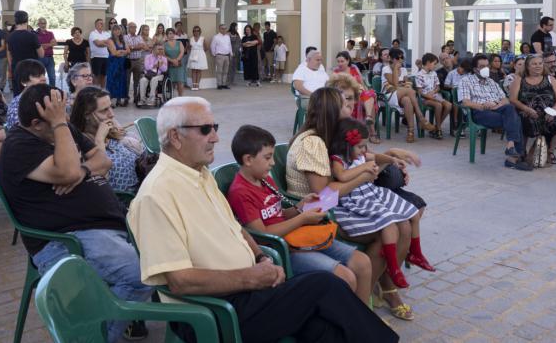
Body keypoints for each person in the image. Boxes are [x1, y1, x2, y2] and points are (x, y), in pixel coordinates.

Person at [127, 97, 397, 343]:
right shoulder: (156, 195)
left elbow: (235, 227)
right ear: (175, 136)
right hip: (215, 310)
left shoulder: (199, 173)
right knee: (324, 285)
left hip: (248, 294)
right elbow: (180, 281)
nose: (216, 138)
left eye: (215, 127)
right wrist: (251, 278)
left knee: (327, 330)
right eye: (206, 129)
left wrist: (261, 258)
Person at [0, 84, 152, 342]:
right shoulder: (19, 145)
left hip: (104, 225)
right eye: (59, 118)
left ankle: (104, 319)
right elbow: (69, 172)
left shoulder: (62, 128)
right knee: (141, 275)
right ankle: (93, 337)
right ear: (37, 123)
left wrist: (81, 171)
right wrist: (70, 155)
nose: (67, 121)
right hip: (65, 238)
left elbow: (103, 162)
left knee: (168, 249)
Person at [284, 87, 414, 321]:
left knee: (403, 225)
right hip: (321, 215)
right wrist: (362, 177)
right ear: (332, 111)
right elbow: (323, 196)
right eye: (344, 104)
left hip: (339, 204)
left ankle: (370, 292)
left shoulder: (327, 135)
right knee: (393, 229)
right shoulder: (313, 142)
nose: (350, 108)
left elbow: (363, 155)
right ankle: (365, 298)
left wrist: (389, 156)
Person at [227, 124, 372, 304]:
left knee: (363, 263)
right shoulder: (240, 192)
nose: (272, 163)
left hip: (301, 237)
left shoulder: (264, 178)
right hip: (285, 250)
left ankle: (364, 319)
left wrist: (299, 208)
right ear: (248, 159)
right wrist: (302, 218)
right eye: (267, 157)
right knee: (346, 278)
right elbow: (263, 234)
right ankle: (348, 325)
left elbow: (278, 213)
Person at [328, 119, 432, 289]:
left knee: (412, 212)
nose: (364, 150)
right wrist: (365, 168)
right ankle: (393, 268)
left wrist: (392, 160)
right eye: (361, 146)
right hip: (355, 200)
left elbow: (375, 157)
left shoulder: (360, 154)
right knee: (389, 222)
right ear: (347, 145)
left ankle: (416, 252)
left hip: (371, 193)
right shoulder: (339, 159)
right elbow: (343, 177)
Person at [458, 54, 529, 170]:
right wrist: (482, 106)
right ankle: (517, 156)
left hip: (496, 109)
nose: (485, 68)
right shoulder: (466, 80)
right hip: (479, 112)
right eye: (482, 66)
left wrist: (496, 105)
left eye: (487, 66)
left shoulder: (491, 82)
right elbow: (465, 102)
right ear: (475, 68)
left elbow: (505, 99)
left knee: (510, 108)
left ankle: (511, 147)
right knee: (515, 119)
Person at [70, 87, 142, 193]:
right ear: (87, 115)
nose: (111, 114)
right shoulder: (81, 145)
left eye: (111, 107)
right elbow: (103, 180)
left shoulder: (111, 133)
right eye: (104, 110)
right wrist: (99, 140)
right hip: (122, 201)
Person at [509, 54, 556, 165]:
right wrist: (527, 109)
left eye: (540, 63)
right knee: (522, 120)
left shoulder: (551, 79)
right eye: (534, 64)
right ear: (527, 66)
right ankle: (521, 152)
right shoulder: (519, 80)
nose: (538, 66)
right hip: (526, 112)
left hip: (547, 113)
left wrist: (553, 111)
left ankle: (548, 151)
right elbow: (513, 99)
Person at [382, 49, 435, 142]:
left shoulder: (403, 70)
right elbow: (394, 84)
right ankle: (421, 118)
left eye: (402, 57)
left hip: (402, 94)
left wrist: (401, 85)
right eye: (397, 57)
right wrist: (395, 69)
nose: (400, 59)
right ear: (391, 58)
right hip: (388, 95)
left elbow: (408, 83)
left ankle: (411, 133)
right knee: (411, 92)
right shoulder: (386, 69)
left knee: (407, 100)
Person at [331, 52, 379, 141]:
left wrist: (364, 89)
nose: (340, 64)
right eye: (338, 61)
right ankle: (372, 133)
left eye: (342, 61)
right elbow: (334, 87)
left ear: (348, 60)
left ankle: (369, 118)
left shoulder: (353, 68)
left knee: (369, 95)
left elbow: (361, 82)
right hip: (346, 96)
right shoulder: (336, 72)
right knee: (369, 101)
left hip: (359, 93)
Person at [416, 53, 452, 139]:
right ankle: (438, 129)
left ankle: (435, 127)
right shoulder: (419, 75)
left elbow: (438, 87)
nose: (435, 66)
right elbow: (420, 92)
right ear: (428, 62)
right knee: (438, 105)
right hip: (424, 98)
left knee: (449, 105)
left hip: (434, 96)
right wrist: (429, 96)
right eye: (434, 63)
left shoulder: (433, 73)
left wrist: (433, 92)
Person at [7, 11, 43, 96]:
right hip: (31, 69)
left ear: (15, 21)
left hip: (16, 68)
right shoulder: (32, 36)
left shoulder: (10, 36)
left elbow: (9, 54)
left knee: (17, 94)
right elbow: (41, 54)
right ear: (27, 20)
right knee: (33, 95)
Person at [5, 59, 48, 130]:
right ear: (23, 81)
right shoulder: (18, 104)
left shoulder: (44, 97)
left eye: (43, 74)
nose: (43, 78)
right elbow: (17, 131)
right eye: (37, 76)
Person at [105, 24, 130, 107]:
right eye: (115, 30)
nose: (117, 31)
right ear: (112, 31)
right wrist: (123, 51)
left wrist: (121, 52)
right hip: (113, 63)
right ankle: (110, 101)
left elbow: (128, 51)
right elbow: (114, 53)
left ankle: (119, 100)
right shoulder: (109, 40)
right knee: (112, 81)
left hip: (122, 64)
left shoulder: (123, 40)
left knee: (121, 81)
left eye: (118, 30)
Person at [124, 22, 147, 101]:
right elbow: (127, 47)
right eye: (132, 27)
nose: (134, 29)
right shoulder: (125, 37)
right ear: (128, 28)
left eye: (135, 27)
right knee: (126, 80)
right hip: (128, 60)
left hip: (138, 61)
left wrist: (132, 47)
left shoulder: (139, 37)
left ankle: (136, 97)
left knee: (137, 80)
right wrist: (136, 47)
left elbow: (142, 46)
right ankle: (126, 98)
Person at [89, 18, 111, 88]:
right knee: (96, 76)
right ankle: (95, 91)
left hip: (106, 57)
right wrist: (106, 42)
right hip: (96, 57)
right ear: (95, 25)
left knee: (104, 75)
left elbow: (111, 43)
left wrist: (103, 42)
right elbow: (98, 44)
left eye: (102, 23)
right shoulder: (93, 33)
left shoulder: (106, 33)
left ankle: (102, 91)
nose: (102, 24)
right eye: (100, 23)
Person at [35, 18, 56, 87]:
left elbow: (54, 43)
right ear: (38, 24)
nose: (43, 25)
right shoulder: (35, 34)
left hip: (50, 58)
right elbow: (37, 46)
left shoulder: (50, 33)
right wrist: (49, 44)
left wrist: (43, 45)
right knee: (40, 77)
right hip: (40, 58)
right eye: (41, 23)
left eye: (44, 23)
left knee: (52, 77)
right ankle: (41, 91)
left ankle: (52, 91)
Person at [164, 28, 185, 97]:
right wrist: (172, 60)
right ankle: (172, 97)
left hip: (179, 64)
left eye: (172, 33)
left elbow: (182, 52)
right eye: (169, 34)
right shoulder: (165, 44)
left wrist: (177, 60)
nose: (171, 35)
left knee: (180, 81)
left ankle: (180, 97)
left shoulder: (179, 42)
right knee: (171, 82)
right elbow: (164, 55)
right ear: (167, 35)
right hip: (170, 64)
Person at [210, 24, 232, 90]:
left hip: (227, 56)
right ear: (219, 29)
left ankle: (224, 84)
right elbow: (212, 46)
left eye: (225, 28)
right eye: (222, 28)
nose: (224, 30)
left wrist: (231, 53)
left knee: (226, 71)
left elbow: (229, 45)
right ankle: (219, 84)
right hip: (220, 56)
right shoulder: (216, 37)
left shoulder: (227, 37)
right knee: (219, 71)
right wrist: (215, 54)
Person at [187, 25, 208, 91]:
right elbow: (188, 47)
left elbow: (206, 48)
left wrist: (201, 53)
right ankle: (193, 85)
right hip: (193, 54)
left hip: (200, 55)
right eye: (195, 31)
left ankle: (197, 85)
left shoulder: (202, 38)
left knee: (199, 70)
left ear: (200, 31)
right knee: (193, 70)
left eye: (198, 30)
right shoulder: (191, 39)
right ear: (193, 32)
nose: (196, 32)